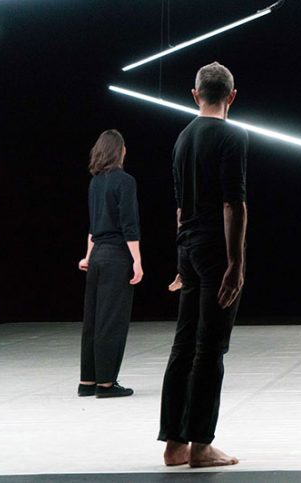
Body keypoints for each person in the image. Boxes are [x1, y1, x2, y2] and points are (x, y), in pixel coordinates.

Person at [159, 62, 247, 468]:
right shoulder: (232, 136)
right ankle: (201, 445)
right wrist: (235, 262)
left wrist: (181, 256)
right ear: (231, 96)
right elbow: (233, 203)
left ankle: (174, 444)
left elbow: (180, 208)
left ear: (195, 95)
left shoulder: (181, 138)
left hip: (188, 246)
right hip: (214, 248)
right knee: (210, 348)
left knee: (184, 344)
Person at [77, 129, 143, 399]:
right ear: (119, 150)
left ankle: (87, 381)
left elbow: (93, 228)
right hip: (116, 256)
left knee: (92, 320)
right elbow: (129, 225)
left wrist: (87, 257)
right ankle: (106, 383)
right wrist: (137, 261)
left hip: (97, 258)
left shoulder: (95, 183)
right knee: (112, 321)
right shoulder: (125, 181)